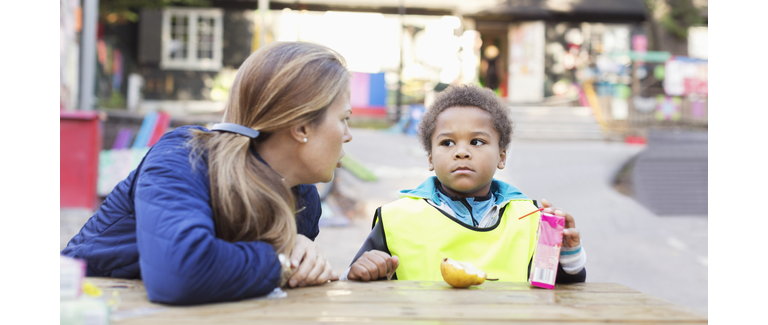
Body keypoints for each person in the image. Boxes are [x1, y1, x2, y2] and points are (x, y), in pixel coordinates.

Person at [62, 42, 353, 304]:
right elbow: (180, 274)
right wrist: (283, 261)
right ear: (301, 127)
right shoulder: (185, 156)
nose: (348, 135)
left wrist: (310, 262)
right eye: (344, 120)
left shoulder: (303, 198)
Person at [344, 84, 586, 283]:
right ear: (430, 158)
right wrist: (361, 271)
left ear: (502, 156)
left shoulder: (531, 219)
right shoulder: (395, 219)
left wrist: (567, 255)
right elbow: (359, 279)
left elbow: (559, 290)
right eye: (447, 143)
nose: (461, 152)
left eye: (477, 141)